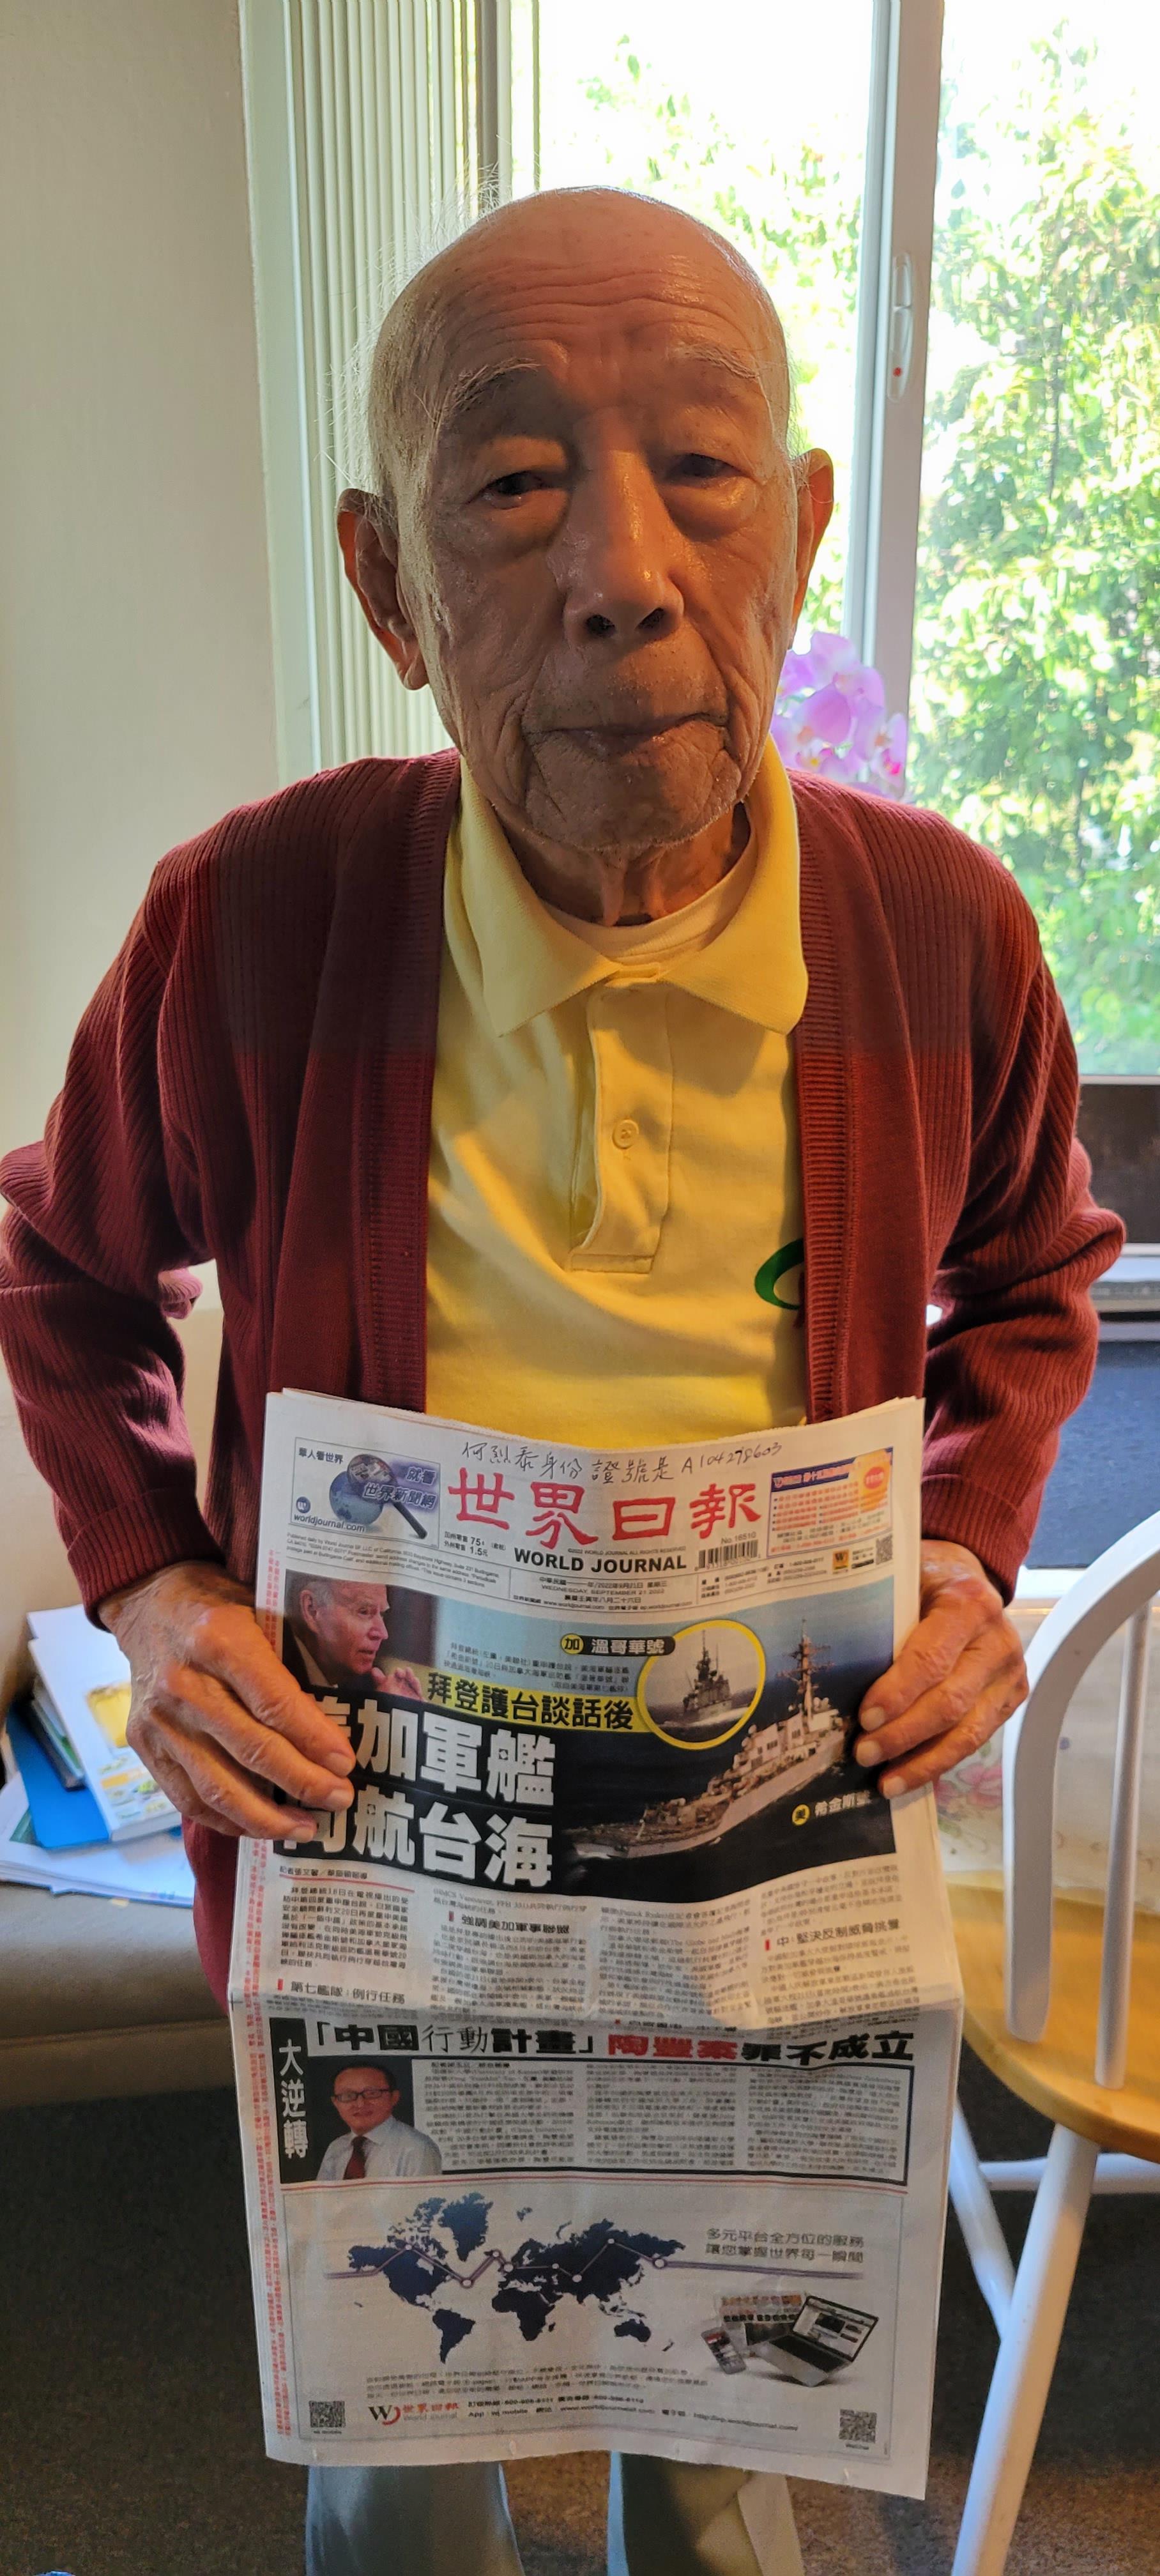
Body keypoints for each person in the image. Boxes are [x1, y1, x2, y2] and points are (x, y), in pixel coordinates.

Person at [0, 187, 1121, 2576]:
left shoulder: (940, 934)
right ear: (391, 588)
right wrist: (163, 1589)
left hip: (768, 1858)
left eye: (704, 472)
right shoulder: (256, 918)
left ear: (805, 533)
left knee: (724, 2478)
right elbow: (59, 1259)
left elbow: (1035, 1275)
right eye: (512, 489)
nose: (621, 568)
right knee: (396, 2465)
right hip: (388, 1867)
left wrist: (966, 1542)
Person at [285, 1574, 424, 1698]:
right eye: (364, 1612)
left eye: (381, 1614)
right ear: (312, 1610)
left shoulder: (365, 1683)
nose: (383, 1634)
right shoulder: (276, 1668)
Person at [316, 2060, 441, 2182]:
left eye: (372, 2093)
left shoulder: (417, 2149)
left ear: (394, 2097)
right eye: (348, 2096)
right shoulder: (336, 2148)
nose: (360, 2104)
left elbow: (421, 2203)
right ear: (336, 2103)